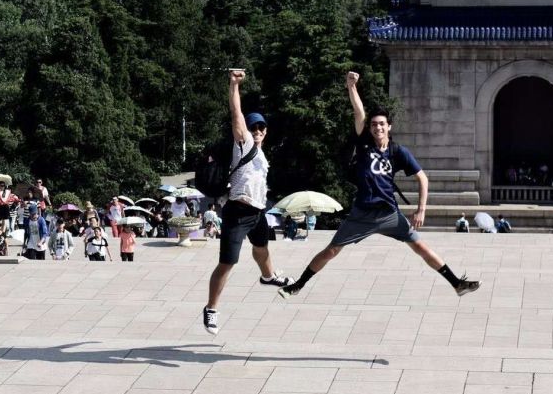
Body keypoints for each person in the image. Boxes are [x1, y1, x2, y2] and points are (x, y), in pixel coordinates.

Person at [280, 71, 480, 299]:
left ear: (389, 127)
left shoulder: (398, 152)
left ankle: (456, 284)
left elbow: (422, 178)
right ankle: (298, 285)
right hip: (362, 213)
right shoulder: (364, 145)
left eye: (382, 124)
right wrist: (351, 86)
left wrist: (421, 209)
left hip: (389, 214)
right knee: (332, 250)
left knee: (420, 247)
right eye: (374, 125)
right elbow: (359, 112)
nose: (378, 128)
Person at [204, 69, 295, 335]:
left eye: (261, 127)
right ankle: (211, 309)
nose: (256, 130)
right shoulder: (242, 144)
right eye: (253, 126)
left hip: (257, 211)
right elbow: (236, 116)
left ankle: (268, 277)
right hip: (237, 211)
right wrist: (234, 86)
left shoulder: (263, 156)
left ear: (266, 132)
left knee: (262, 247)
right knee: (227, 263)